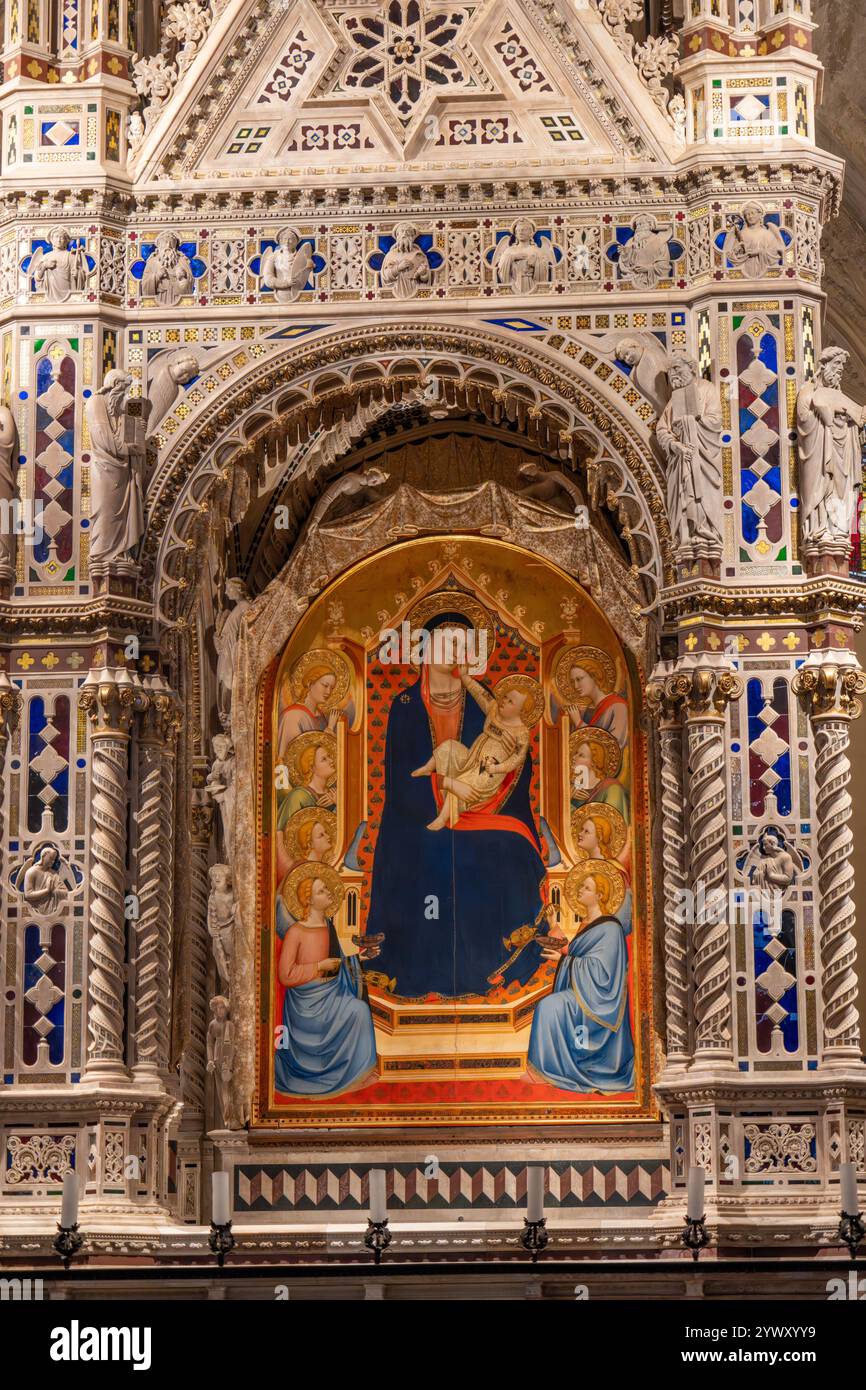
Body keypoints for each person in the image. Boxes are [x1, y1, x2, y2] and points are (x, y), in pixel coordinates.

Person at [367, 601, 549, 998]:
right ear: (424, 648)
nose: (453, 652)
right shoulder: (404, 707)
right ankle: (418, 974)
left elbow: (519, 763)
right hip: (416, 816)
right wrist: (449, 788)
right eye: (445, 643)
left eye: (461, 645)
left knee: (510, 846)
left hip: (484, 808)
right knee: (426, 850)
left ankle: (496, 968)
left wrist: (479, 794)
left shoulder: (486, 700)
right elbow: (398, 779)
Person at [527, 861, 634, 1093]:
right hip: (583, 994)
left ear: (599, 894)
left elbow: (604, 973)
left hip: (600, 1002)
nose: (580, 891)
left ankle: (556, 1069)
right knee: (549, 1006)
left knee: (548, 1007)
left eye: (586, 887)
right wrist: (554, 928)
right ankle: (550, 1070)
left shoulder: (611, 928)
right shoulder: (588, 924)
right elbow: (575, 952)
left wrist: (565, 961)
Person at [274, 866, 379, 1096]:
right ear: (308, 900)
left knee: (359, 1010)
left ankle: (355, 1072)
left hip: (332, 995)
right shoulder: (296, 932)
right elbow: (285, 975)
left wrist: (359, 958)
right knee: (358, 1010)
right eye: (322, 891)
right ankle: (327, 1075)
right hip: (306, 1006)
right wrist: (317, 967)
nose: (329, 893)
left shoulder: (328, 926)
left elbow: (338, 963)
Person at [412, 670, 542, 830]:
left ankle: (442, 819)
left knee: (459, 785)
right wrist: (464, 677)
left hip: (488, 771)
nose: (504, 701)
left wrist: (497, 768)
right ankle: (427, 769)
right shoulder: (494, 710)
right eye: (506, 697)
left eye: (510, 702)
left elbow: (517, 759)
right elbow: (479, 693)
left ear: (521, 712)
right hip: (472, 758)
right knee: (449, 746)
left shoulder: (521, 733)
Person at [797, 346, 866, 548]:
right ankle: (820, 531)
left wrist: (852, 420)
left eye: (842, 367)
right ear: (822, 365)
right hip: (819, 453)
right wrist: (826, 412)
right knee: (821, 487)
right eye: (836, 364)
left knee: (841, 491)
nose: (839, 370)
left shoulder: (839, 394)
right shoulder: (808, 392)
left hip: (842, 455)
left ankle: (838, 532)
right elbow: (804, 418)